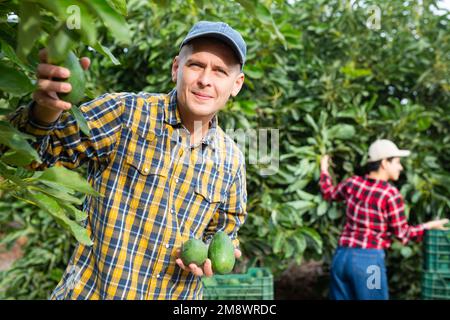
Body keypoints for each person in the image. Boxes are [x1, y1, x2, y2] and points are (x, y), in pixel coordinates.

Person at [8, 21, 248, 300]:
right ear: (175, 68)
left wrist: (210, 258)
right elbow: (27, 160)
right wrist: (46, 112)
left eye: (220, 71)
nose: (205, 79)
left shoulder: (231, 160)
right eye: (196, 65)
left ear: (236, 84)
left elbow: (224, 233)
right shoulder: (125, 114)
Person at [319, 139, 448, 300]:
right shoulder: (390, 194)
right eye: (397, 162)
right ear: (384, 163)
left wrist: (324, 169)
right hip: (369, 263)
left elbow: (329, 193)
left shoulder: (353, 183)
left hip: (341, 259)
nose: (400, 167)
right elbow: (402, 234)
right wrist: (428, 227)